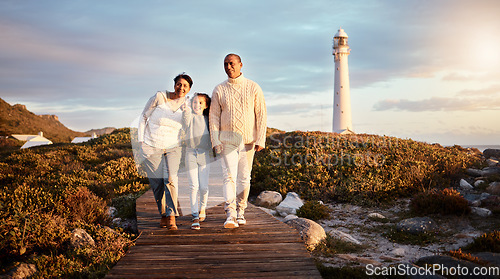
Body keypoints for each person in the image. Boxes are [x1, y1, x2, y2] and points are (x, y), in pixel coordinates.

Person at [209, 54, 267, 229]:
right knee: (228, 177)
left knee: (244, 178)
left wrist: (261, 138)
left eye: (232, 63)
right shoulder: (219, 89)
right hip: (226, 141)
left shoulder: (253, 87)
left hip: (248, 142)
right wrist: (215, 140)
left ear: (241, 65)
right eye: (225, 64)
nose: (228, 67)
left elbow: (261, 114)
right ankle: (230, 214)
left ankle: (241, 210)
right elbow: (213, 117)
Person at [138, 73, 192, 230]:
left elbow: (187, 126)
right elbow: (143, 117)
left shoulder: (187, 105)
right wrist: (141, 141)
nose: (181, 88)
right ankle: (163, 214)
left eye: (185, 86)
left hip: (173, 147)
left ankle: (171, 216)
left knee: (170, 179)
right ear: (174, 84)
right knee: (157, 184)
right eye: (179, 84)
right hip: (151, 145)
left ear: (189, 89)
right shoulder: (159, 97)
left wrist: (186, 111)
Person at [181, 93, 212, 230]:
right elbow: (185, 121)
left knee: (203, 187)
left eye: (200, 102)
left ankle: (202, 208)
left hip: (205, 155)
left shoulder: (208, 119)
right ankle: (195, 216)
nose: (197, 105)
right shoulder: (190, 117)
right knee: (193, 186)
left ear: (205, 106)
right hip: (190, 153)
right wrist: (186, 109)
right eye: (194, 102)